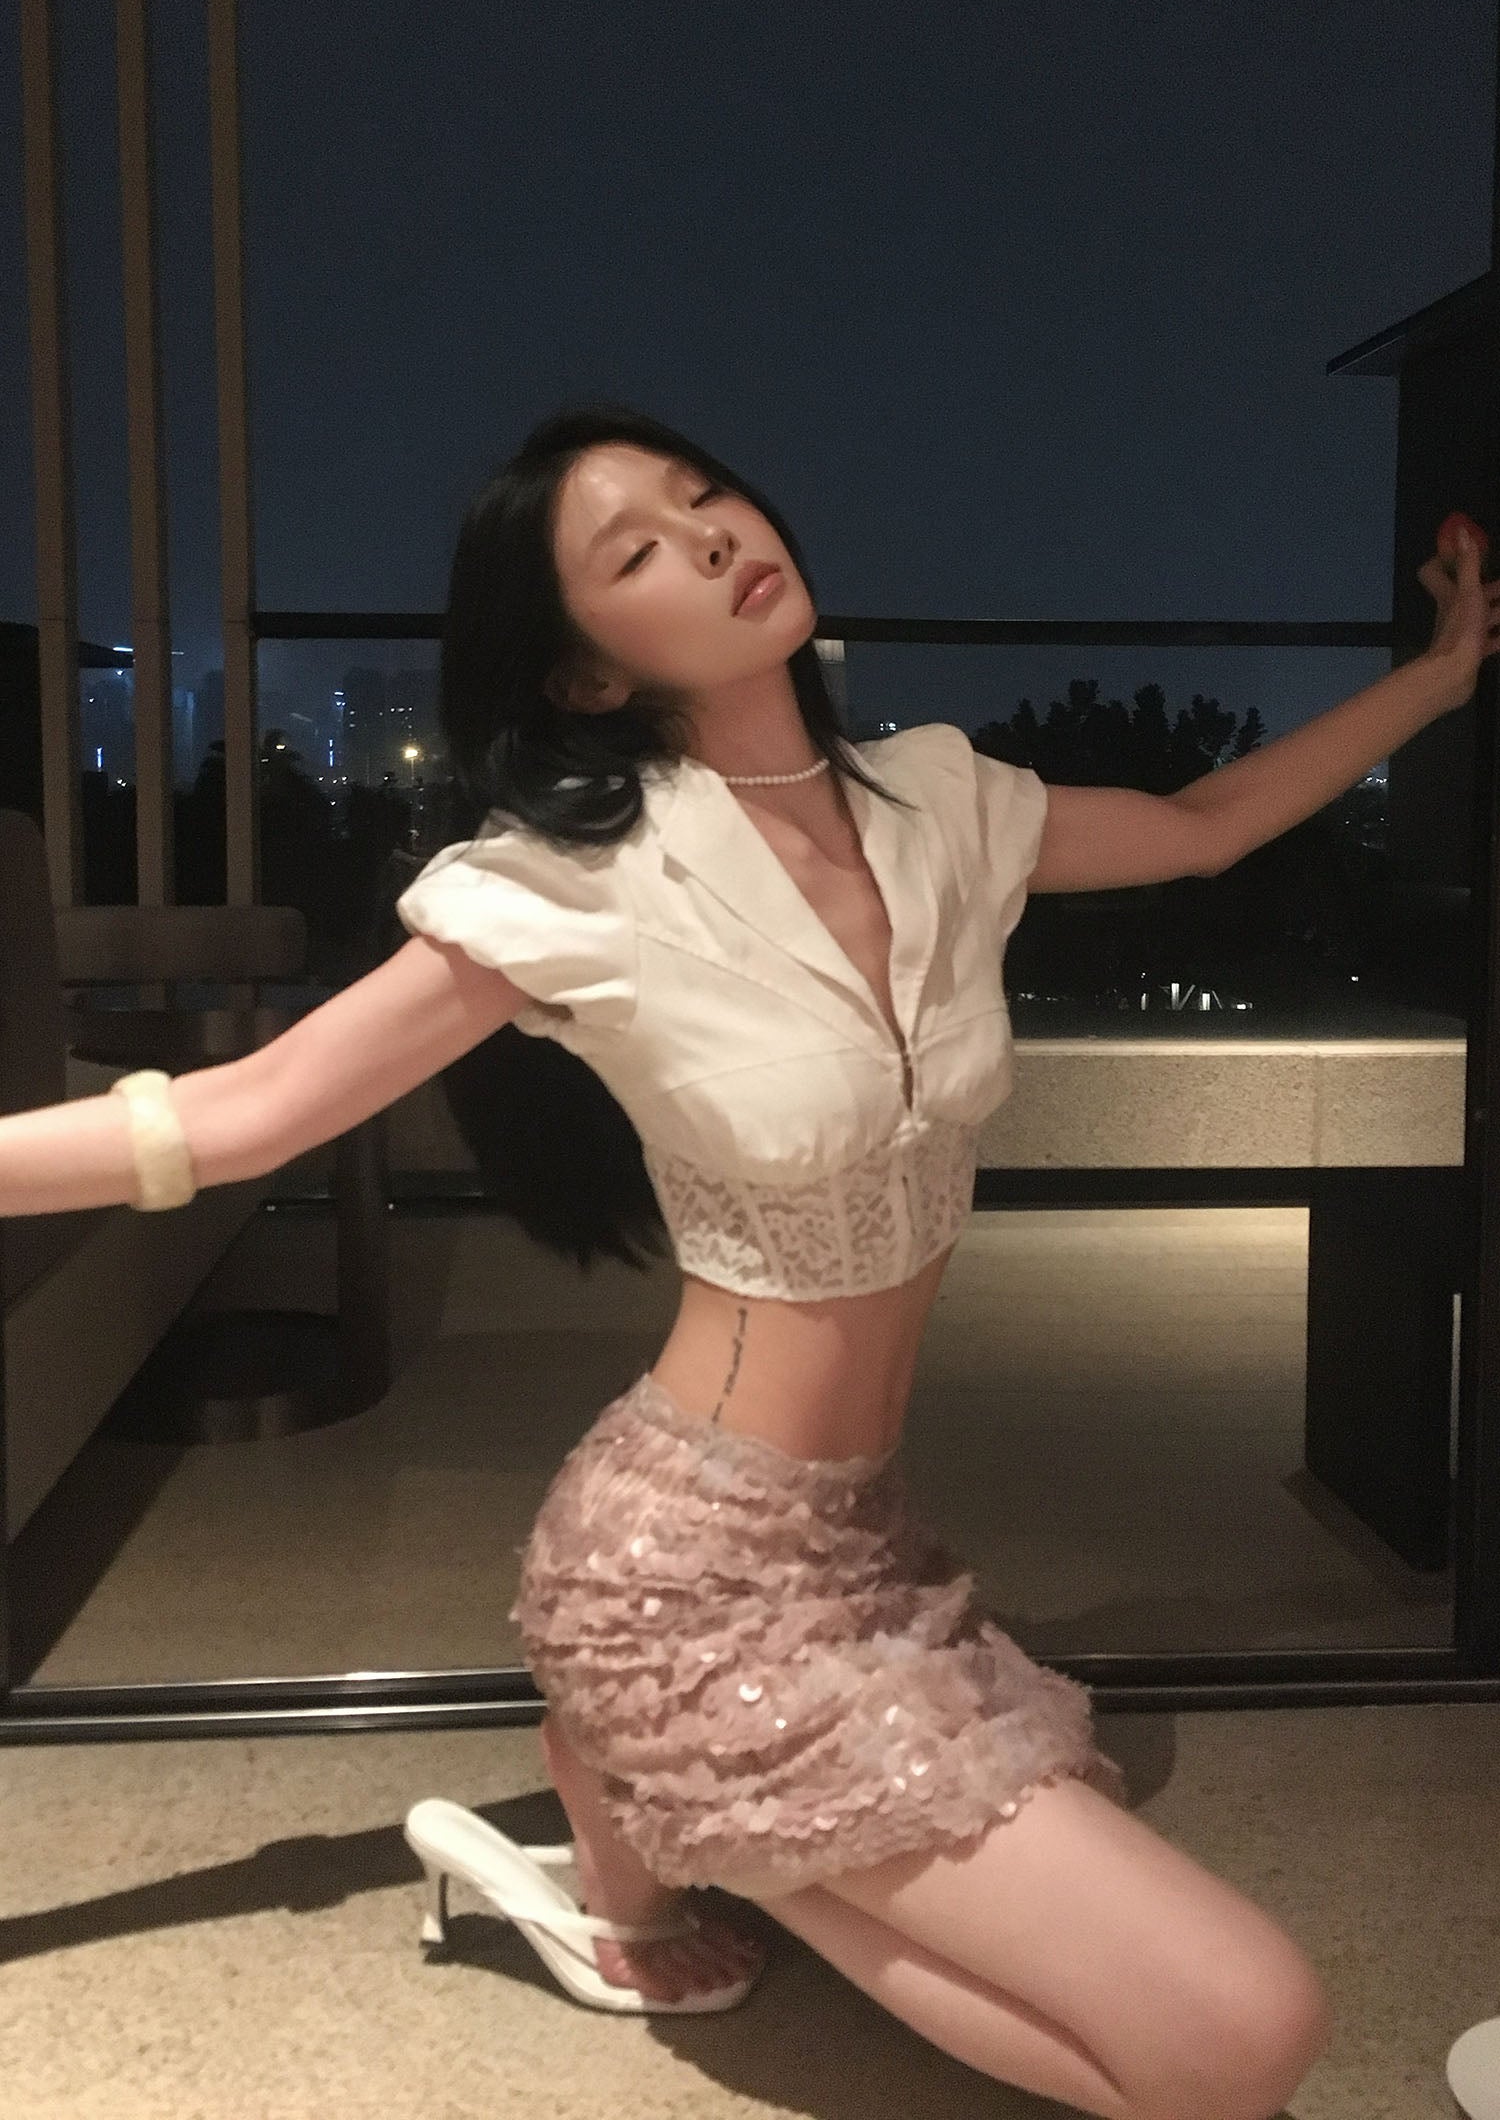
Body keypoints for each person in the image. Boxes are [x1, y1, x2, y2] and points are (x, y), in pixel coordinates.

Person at [4, 407, 1492, 2115]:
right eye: (638, 549)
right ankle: (663, 1782)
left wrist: (1440, 678)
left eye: (704, 495)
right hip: (683, 1571)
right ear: (585, 672)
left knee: (1151, 1944)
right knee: (1250, 2035)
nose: (711, 536)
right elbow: (244, 1113)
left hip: (860, 1533)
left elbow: (1207, 818)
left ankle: (646, 1799)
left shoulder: (940, 804)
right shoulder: (574, 885)